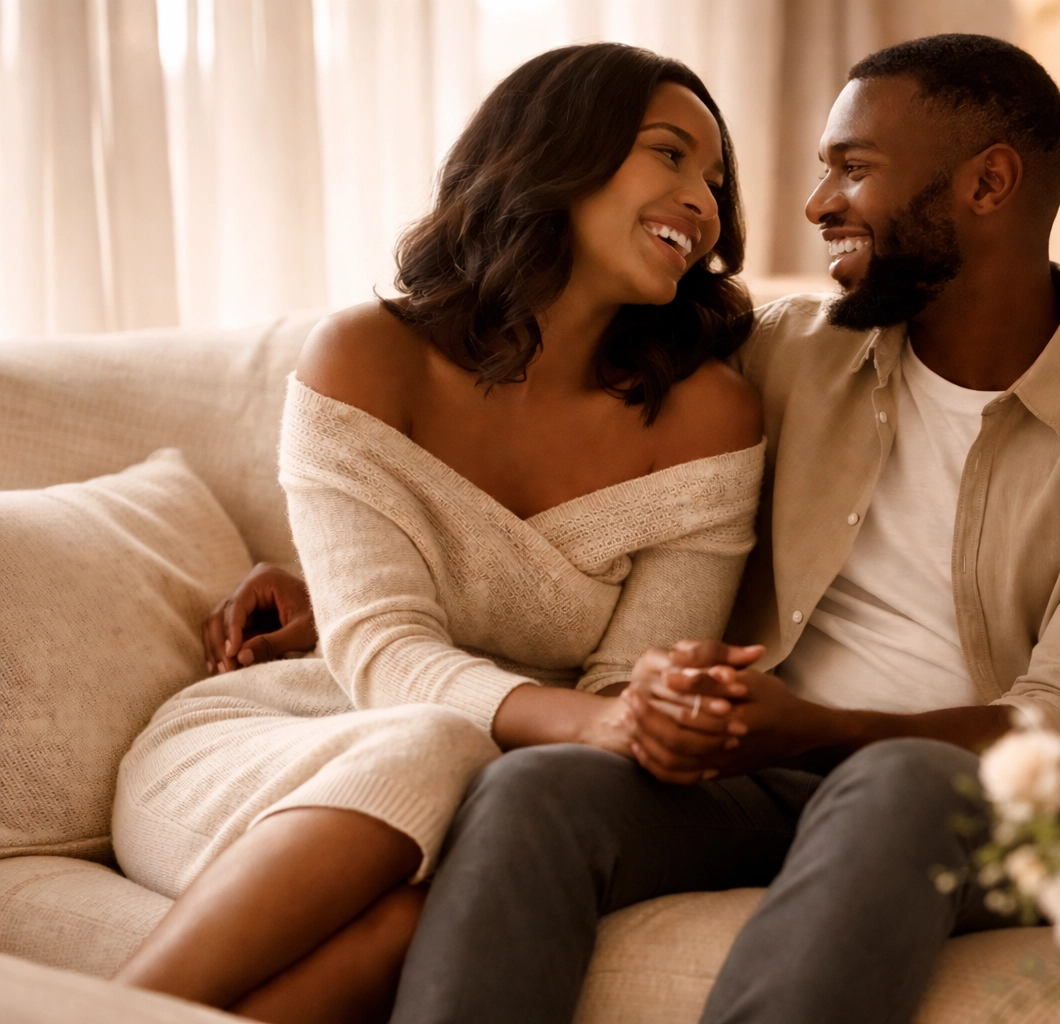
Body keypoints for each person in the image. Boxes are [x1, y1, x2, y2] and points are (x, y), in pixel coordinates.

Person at [218, 34, 1060, 1024]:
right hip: (750, 772)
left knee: (902, 778)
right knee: (540, 787)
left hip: (996, 806)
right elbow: (544, 472)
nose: (815, 206)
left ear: (988, 185)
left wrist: (815, 729)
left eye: (852, 170)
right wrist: (337, 581)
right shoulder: (780, 357)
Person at [110, 43, 765, 1024]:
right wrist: (591, 721)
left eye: (715, 179)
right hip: (282, 743)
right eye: (670, 154)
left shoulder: (708, 418)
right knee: (429, 742)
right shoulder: (369, 358)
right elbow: (379, 651)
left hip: (494, 794)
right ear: (554, 152)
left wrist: (610, 721)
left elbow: (632, 692)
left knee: (448, 909)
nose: (704, 201)